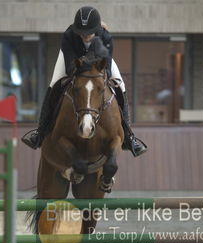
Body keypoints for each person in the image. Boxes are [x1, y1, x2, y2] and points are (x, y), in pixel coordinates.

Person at [21, 6, 147, 157]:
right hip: (73, 63)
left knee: (121, 85)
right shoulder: (69, 36)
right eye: (81, 33)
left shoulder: (105, 37)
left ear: (96, 29)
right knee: (54, 84)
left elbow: (105, 69)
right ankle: (40, 132)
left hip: (96, 65)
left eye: (88, 33)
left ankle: (129, 136)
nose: (85, 36)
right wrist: (85, 63)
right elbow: (70, 67)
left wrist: (88, 65)